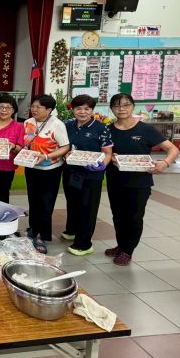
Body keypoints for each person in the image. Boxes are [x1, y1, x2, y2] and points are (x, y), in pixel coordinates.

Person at [105, 93, 179, 266]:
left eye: (126, 105)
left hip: (139, 182)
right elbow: (104, 151)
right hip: (115, 179)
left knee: (134, 216)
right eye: (117, 106)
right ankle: (121, 245)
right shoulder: (108, 129)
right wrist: (109, 155)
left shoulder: (145, 129)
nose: (121, 109)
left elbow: (173, 149)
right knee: (118, 215)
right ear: (111, 108)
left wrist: (165, 163)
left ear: (133, 106)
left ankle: (128, 250)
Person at [61, 95, 113, 256]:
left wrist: (102, 165)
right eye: (78, 108)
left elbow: (108, 153)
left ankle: (84, 244)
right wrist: (64, 154)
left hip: (91, 175)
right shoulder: (68, 125)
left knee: (87, 208)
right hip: (71, 171)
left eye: (87, 109)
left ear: (92, 110)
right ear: (73, 110)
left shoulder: (101, 128)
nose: (82, 112)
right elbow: (64, 146)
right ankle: (72, 230)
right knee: (73, 203)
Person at [23, 93, 71, 253]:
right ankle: (33, 228)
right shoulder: (28, 122)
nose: (34, 109)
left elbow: (65, 147)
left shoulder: (57, 124)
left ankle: (42, 236)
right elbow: (26, 143)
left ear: (49, 109)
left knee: (46, 202)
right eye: (32, 106)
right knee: (33, 200)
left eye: (38, 107)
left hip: (50, 169)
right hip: (31, 168)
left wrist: (46, 156)